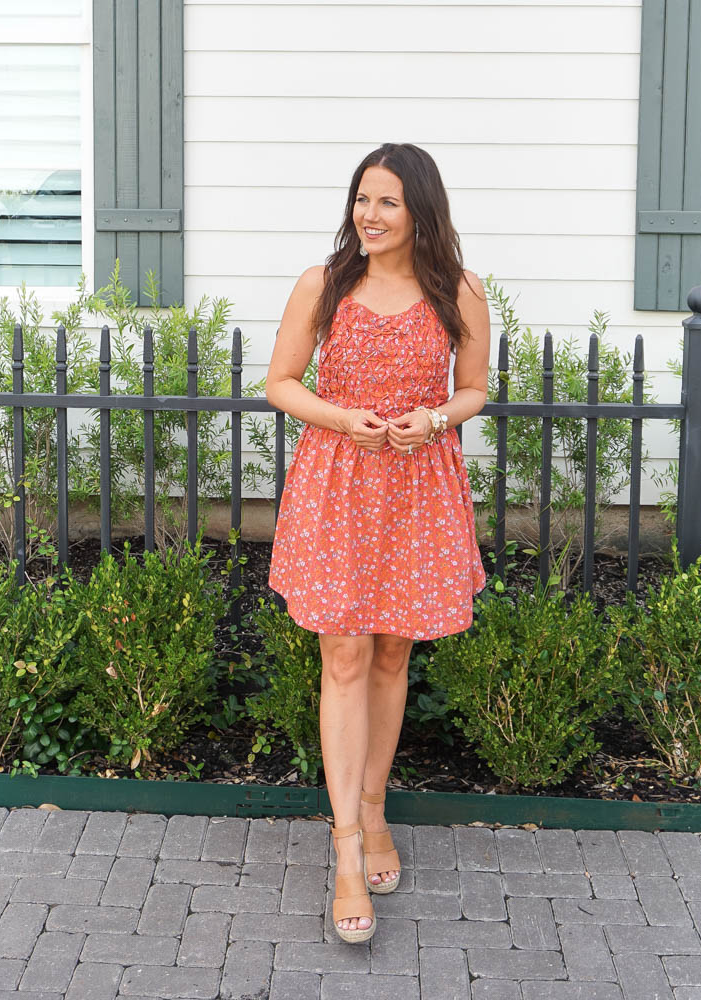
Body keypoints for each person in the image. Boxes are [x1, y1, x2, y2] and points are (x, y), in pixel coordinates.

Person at [265, 142, 490, 943]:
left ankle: (375, 803)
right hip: (338, 484)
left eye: (388, 201)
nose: (370, 214)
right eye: (363, 198)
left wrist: (432, 419)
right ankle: (347, 848)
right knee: (345, 656)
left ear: (421, 210)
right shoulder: (323, 286)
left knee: (393, 653)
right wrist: (340, 417)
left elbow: (474, 389)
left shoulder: (458, 290)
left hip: (419, 487)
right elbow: (281, 382)